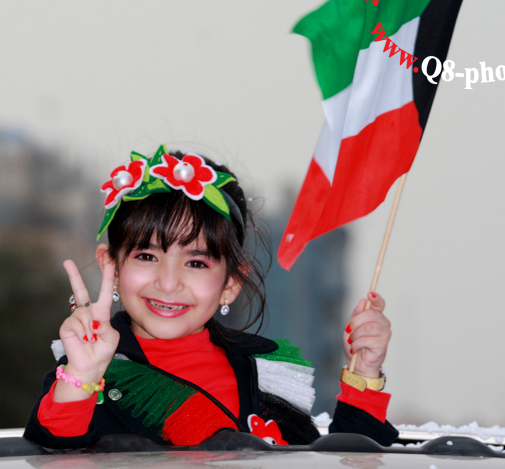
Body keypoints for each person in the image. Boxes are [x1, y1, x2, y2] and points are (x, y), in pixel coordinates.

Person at [24, 144, 398, 448]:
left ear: (231, 284)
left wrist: (363, 373)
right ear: (112, 267)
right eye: (147, 256)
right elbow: (54, 455)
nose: (168, 282)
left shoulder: (263, 373)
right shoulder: (90, 372)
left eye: (196, 263)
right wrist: (81, 377)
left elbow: (331, 463)